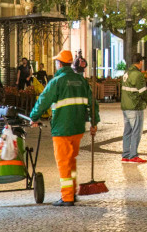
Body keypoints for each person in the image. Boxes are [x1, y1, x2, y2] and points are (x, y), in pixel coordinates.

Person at [29, 50, 99, 206]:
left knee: (64, 162)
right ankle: (72, 192)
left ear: (60, 64)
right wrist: (94, 123)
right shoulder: (81, 81)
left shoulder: (56, 81)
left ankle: (67, 196)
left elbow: (43, 101)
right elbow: (93, 104)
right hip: (78, 128)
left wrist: (34, 117)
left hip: (62, 128)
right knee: (71, 161)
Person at [120, 54, 147, 164]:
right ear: (140, 62)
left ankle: (126, 155)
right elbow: (143, 91)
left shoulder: (126, 73)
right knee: (136, 131)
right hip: (135, 106)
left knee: (127, 131)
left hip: (126, 106)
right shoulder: (137, 75)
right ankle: (133, 155)